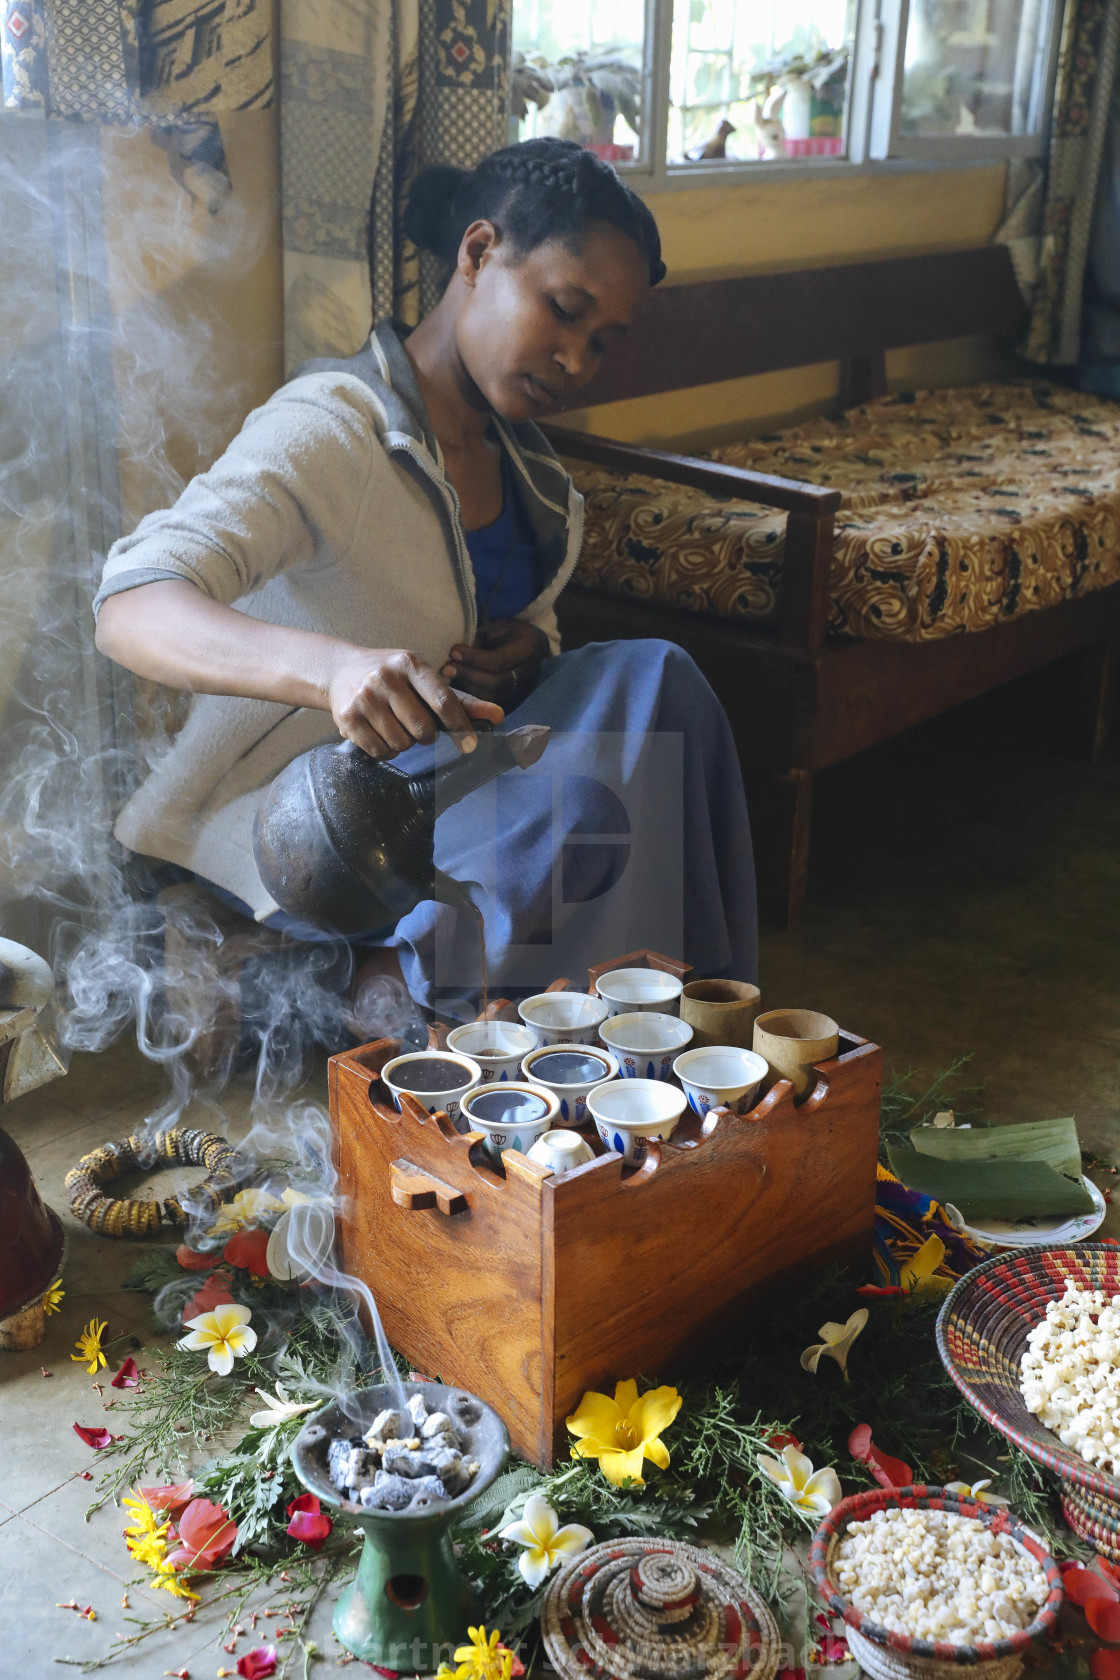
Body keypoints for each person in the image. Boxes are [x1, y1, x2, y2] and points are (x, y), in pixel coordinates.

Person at [94, 138, 757, 1020]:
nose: (576, 361)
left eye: (602, 343)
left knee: (651, 689)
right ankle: (419, 991)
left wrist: (528, 660)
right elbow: (132, 602)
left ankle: (679, 1025)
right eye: (562, 310)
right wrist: (331, 669)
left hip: (462, 801)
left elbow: (515, 648)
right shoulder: (333, 430)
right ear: (479, 254)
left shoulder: (542, 488)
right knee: (621, 736)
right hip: (319, 825)